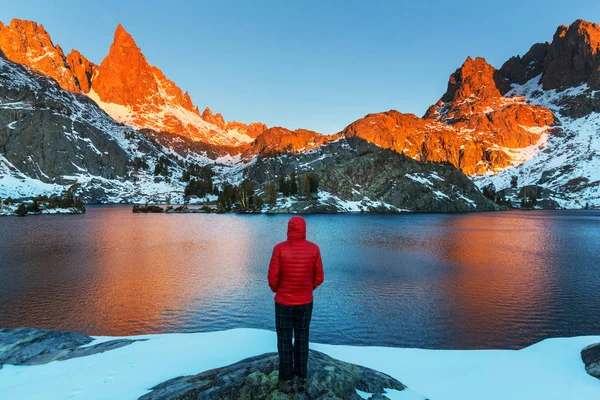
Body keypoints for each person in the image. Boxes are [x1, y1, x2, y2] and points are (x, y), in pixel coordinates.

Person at [268, 216, 324, 394]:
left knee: (284, 339)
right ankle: (301, 378)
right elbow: (319, 278)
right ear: (304, 229)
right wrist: (308, 288)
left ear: (289, 228)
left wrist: (278, 289)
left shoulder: (279, 248)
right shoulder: (314, 249)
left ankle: (286, 379)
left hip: (283, 302)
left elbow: (272, 278)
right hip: (305, 302)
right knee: (302, 338)